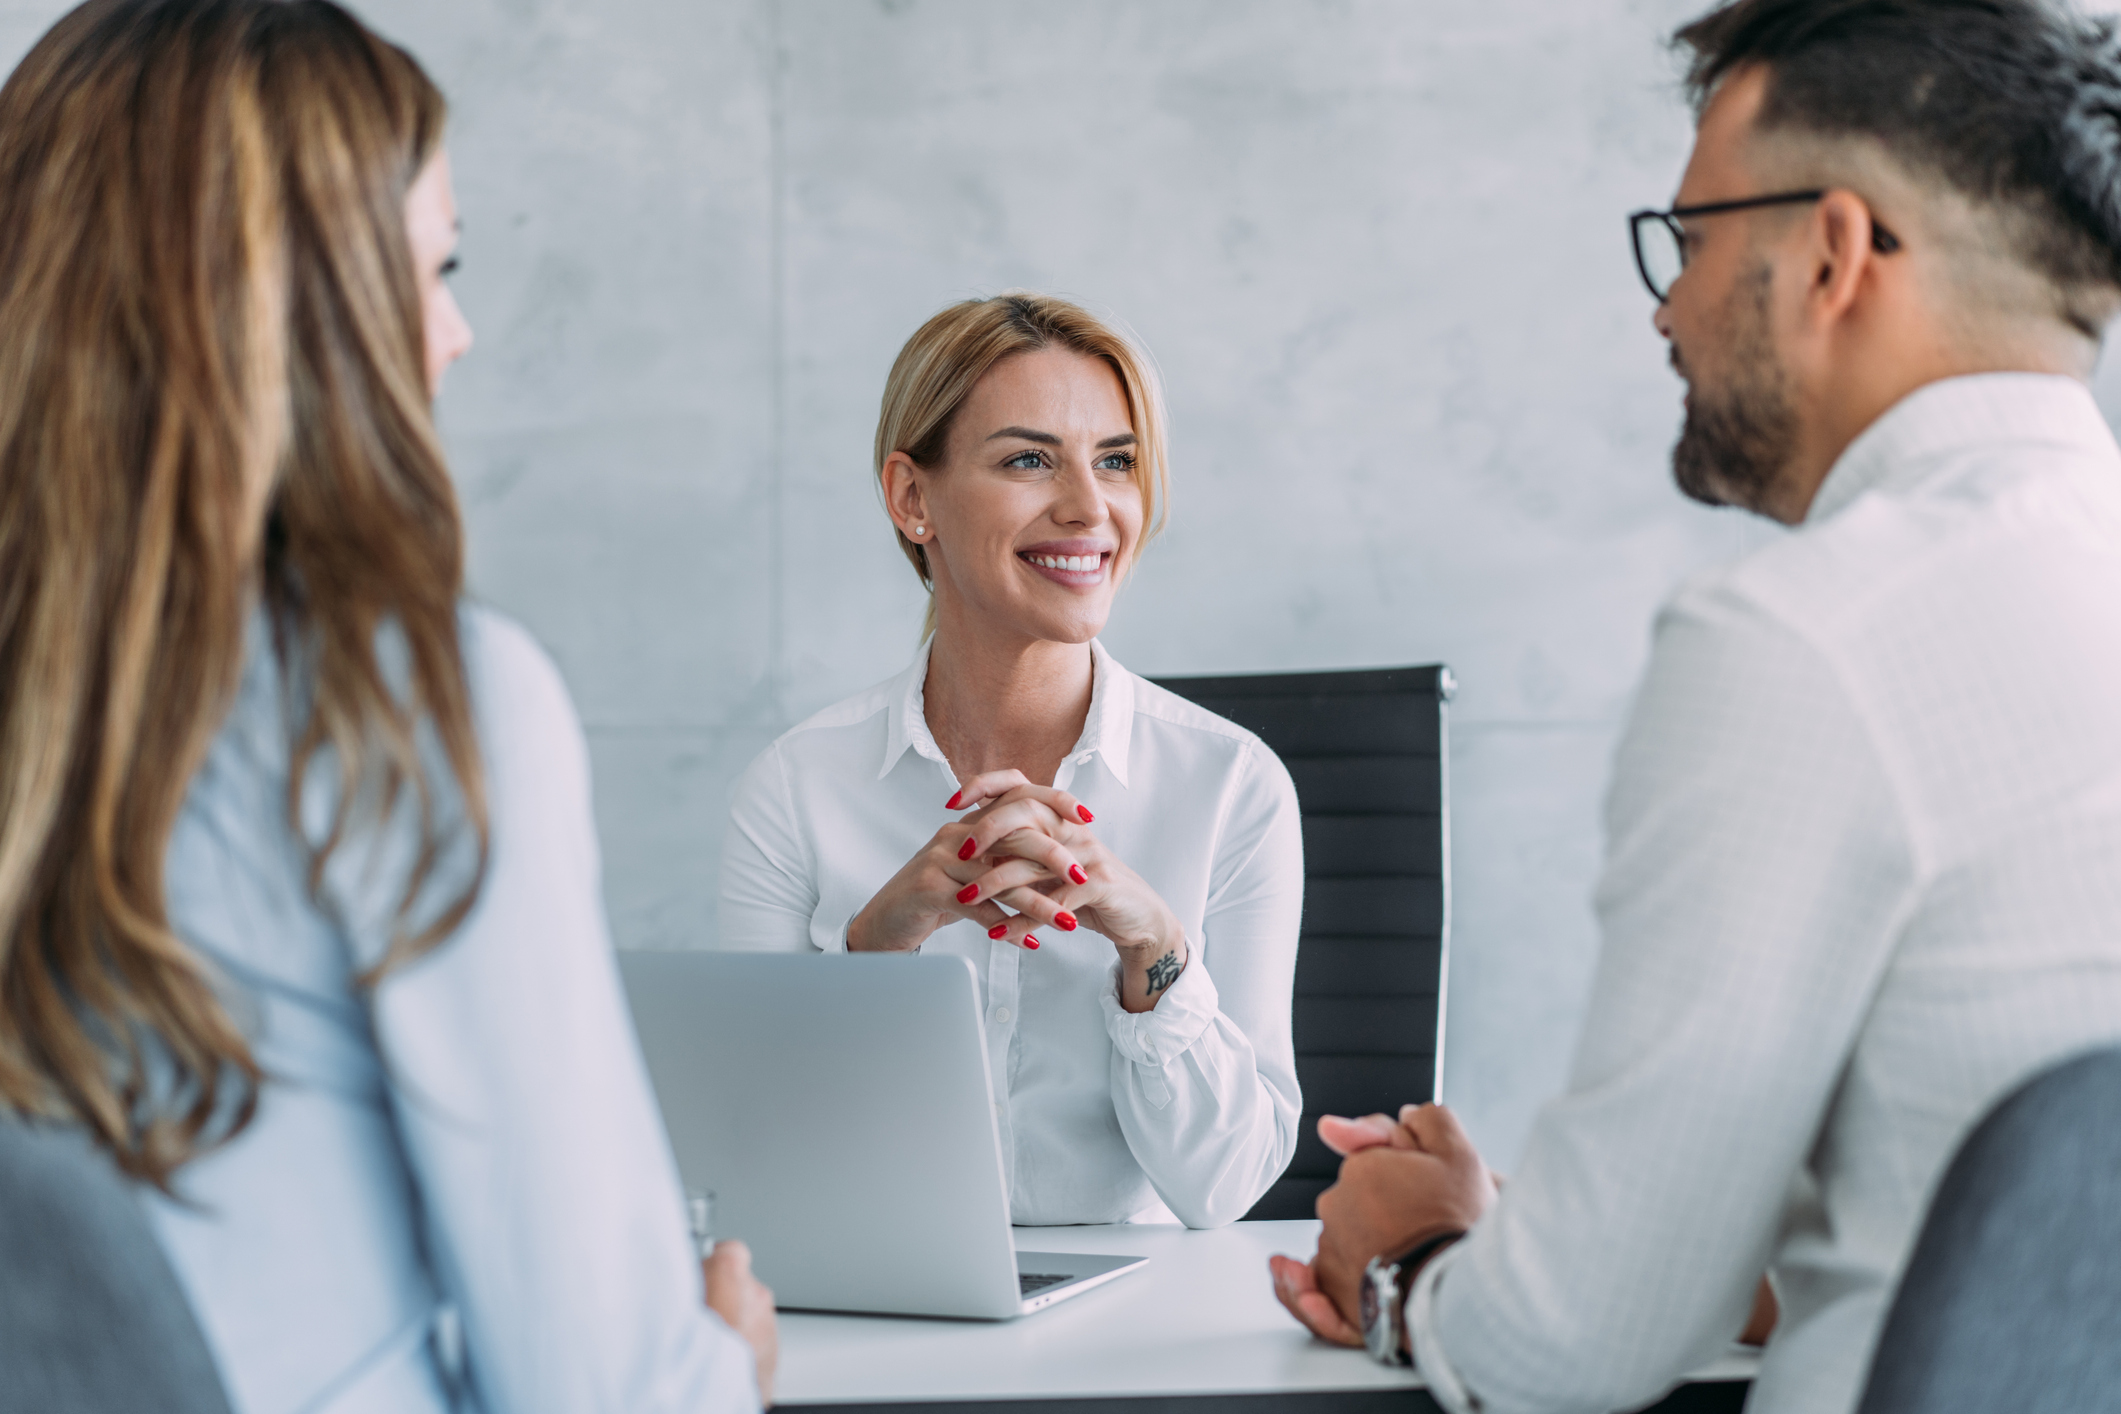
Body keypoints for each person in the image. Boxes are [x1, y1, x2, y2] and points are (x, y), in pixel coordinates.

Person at [1268, 1, 2121, 1411]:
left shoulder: (1806, 640)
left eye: (1694, 237)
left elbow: (1568, 1349)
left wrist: (1406, 1258)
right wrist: (1548, 1231)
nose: (1665, 305)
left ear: (1832, 255)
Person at [0, 2, 774, 1409]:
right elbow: (597, 1388)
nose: (458, 332)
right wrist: (723, 1358)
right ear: (312, 305)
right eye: (435, 267)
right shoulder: (398, 702)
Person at [720, 293, 1302, 1229]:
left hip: (1141, 1338)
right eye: (1029, 459)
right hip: (886, 1326)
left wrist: (1152, 948)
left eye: (1116, 461)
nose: (1088, 507)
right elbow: (756, 1162)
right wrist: (877, 948)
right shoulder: (797, 791)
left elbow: (1225, 1189)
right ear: (914, 499)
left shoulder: (1232, 786)